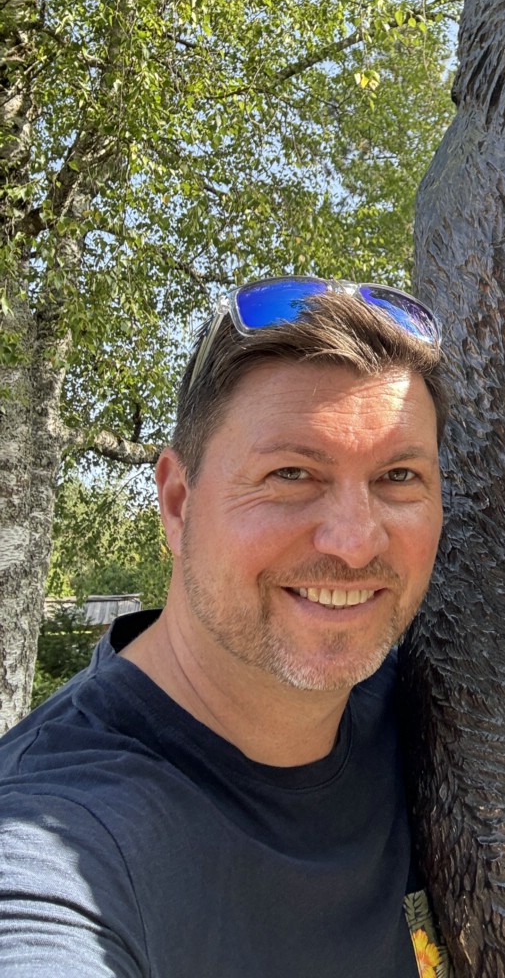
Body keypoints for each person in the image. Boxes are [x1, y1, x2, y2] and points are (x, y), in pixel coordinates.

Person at [0, 276, 449, 977]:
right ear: (178, 502)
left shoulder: (439, 714)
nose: (355, 543)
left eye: (398, 477)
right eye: (291, 473)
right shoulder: (60, 831)